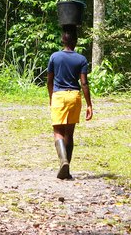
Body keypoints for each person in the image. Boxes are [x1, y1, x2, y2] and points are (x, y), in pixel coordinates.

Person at [47, 27, 93, 180]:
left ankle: (63, 161)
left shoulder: (54, 57)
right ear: (76, 41)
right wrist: (89, 104)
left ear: (63, 40)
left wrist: (51, 97)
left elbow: (49, 80)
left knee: (58, 132)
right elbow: (84, 83)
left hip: (59, 96)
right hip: (74, 96)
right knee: (69, 133)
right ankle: (67, 170)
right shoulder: (81, 59)